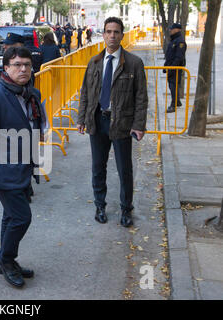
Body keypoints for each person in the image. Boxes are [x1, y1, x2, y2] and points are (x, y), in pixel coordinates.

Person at [0, 47, 47, 288]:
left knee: (10, 216)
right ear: (6, 68)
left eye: (27, 64)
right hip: (4, 171)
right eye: (17, 64)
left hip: (24, 167)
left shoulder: (30, 93)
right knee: (21, 217)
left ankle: (5, 260)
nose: (23, 68)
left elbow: (34, 123)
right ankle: (5, 259)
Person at [76, 17, 148, 228]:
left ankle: (126, 209)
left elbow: (141, 97)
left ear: (122, 35)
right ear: (103, 34)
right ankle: (100, 205)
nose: (112, 35)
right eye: (108, 31)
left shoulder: (134, 63)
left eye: (116, 32)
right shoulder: (95, 62)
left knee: (124, 169)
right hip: (97, 121)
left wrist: (138, 125)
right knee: (98, 167)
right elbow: (85, 93)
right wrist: (81, 118)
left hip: (122, 124)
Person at [164, 23, 187, 113]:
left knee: (173, 86)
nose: (170, 30)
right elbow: (170, 55)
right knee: (172, 85)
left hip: (175, 68)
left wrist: (172, 67)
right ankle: (177, 102)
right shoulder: (174, 40)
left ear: (177, 30)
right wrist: (166, 66)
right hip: (171, 67)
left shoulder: (180, 41)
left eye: (172, 29)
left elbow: (179, 57)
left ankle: (173, 105)